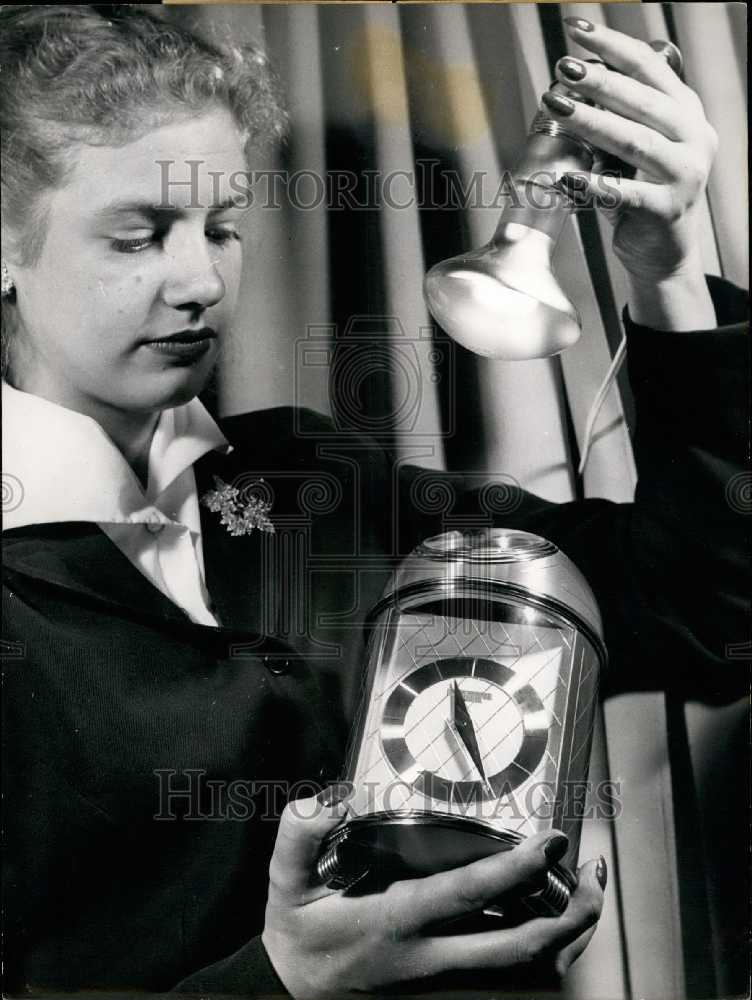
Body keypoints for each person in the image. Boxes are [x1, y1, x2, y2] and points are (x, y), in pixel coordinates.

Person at [1, 5, 747, 998]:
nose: (199, 282)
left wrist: (663, 272)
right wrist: (286, 978)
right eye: (139, 236)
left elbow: (698, 607)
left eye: (221, 227)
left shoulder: (308, 474)